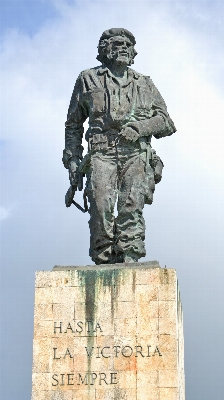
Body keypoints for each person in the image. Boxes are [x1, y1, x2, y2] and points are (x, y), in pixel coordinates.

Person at [62, 28, 176, 264]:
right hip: (101, 153)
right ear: (104, 50)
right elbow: (73, 125)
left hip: (135, 152)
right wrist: (73, 160)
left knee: (131, 205)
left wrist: (140, 128)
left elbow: (166, 122)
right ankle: (103, 258)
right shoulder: (87, 79)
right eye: (116, 43)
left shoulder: (144, 83)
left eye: (127, 44)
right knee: (100, 205)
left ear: (133, 52)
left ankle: (129, 257)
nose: (123, 47)